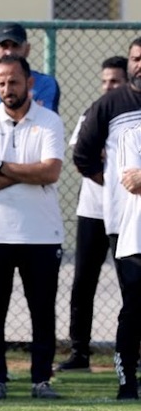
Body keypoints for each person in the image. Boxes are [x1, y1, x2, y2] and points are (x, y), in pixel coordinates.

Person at [0, 23, 63, 376]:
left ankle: (40, 379)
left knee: (42, 313)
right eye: (1, 83)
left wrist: (1, 168)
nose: (7, 88)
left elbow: (50, 172)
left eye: (14, 82)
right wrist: (24, 172)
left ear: (29, 83)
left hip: (40, 233)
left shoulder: (49, 122)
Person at [72, 37, 141, 397]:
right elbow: (83, 156)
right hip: (127, 224)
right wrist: (114, 187)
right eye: (135, 58)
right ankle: (127, 379)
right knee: (134, 302)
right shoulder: (110, 105)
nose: (139, 64)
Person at [58, 55, 127, 371]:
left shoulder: (131, 115)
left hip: (127, 213)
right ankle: (79, 352)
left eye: (114, 81)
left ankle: (131, 352)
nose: (108, 87)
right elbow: (82, 153)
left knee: (132, 283)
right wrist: (112, 177)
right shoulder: (94, 112)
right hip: (93, 210)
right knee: (84, 280)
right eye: (104, 81)